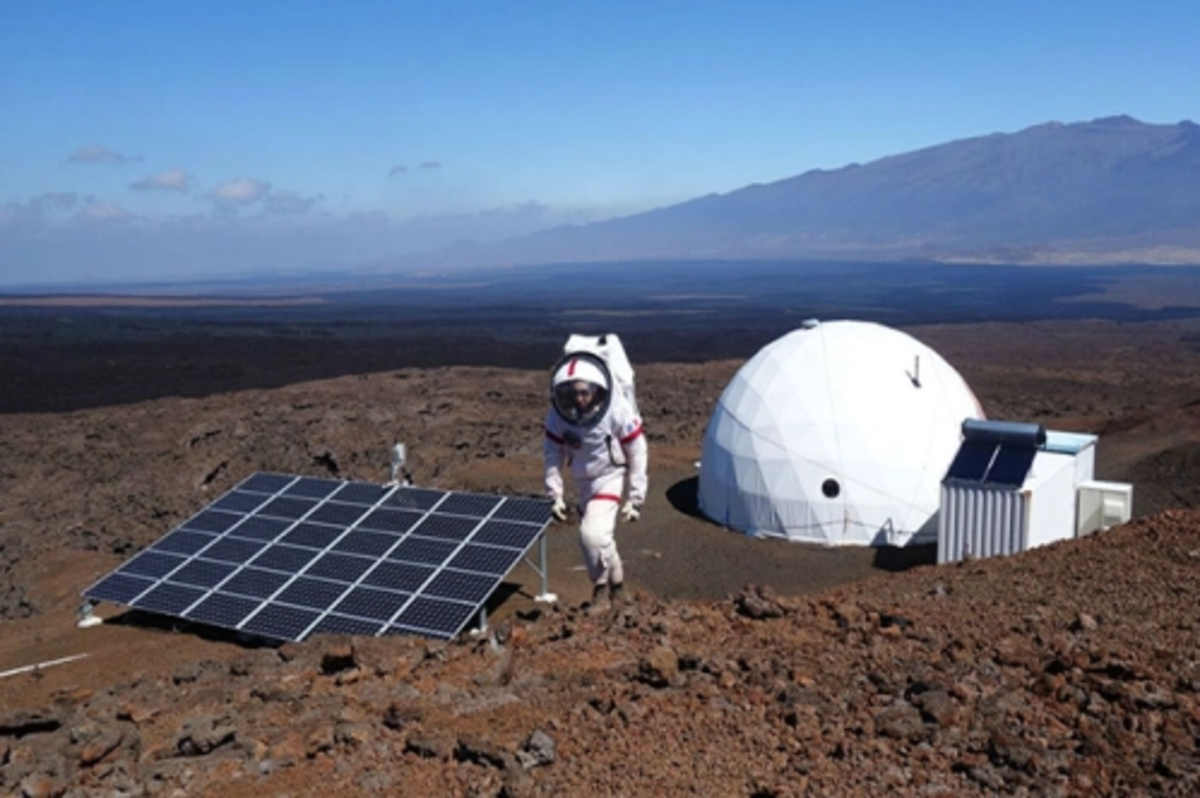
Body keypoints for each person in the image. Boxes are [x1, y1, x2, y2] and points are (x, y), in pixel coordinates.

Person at [543, 353, 647, 614]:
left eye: (585, 392)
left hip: (609, 477)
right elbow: (552, 455)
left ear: (598, 390)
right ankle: (619, 588)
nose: (579, 398)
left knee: (592, 536)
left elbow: (637, 451)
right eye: (572, 393)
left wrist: (636, 497)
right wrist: (554, 494)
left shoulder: (616, 411)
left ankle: (600, 591)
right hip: (583, 482)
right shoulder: (559, 417)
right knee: (602, 541)